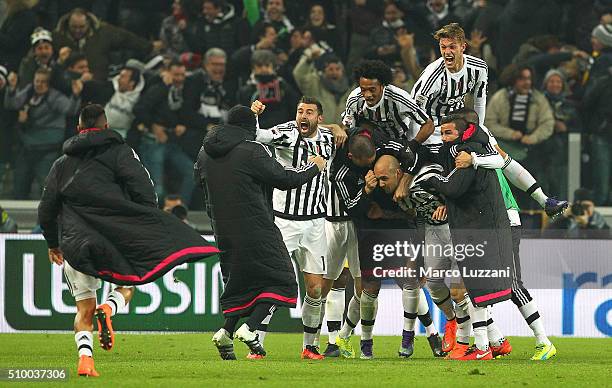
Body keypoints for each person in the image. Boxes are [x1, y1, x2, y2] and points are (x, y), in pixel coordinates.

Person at [38, 104, 218, 376]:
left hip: (75, 243)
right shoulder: (122, 153)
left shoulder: (61, 164)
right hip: (116, 238)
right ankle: (109, 309)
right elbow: (145, 192)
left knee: (83, 309)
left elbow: (46, 208)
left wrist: (53, 243)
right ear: (107, 127)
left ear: (77, 130)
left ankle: (85, 360)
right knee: (127, 287)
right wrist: (138, 224)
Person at [195, 105, 325, 360]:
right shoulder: (251, 150)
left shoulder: (203, 152)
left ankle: (225, 333)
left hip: (222, 229)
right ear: (248, 128)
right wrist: (314, 167)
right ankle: (250, 328)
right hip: (256, 226)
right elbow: (284, 178)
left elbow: (198, 182)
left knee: (240, 283)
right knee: (283, 279)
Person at [412, 23, 568, 216]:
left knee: (498, 152)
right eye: (443, 47)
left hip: (459, 122)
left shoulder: (478, 68)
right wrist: (417, 143)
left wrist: (478, 131)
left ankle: (545, 201)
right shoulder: (432, 76)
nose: (447, 52)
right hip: (432, 127)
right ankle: (445, 205)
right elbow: (414, 114)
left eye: (452, 46)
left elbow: (479, 101)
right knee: (453, 159)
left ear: (463, 46)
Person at [453, 108, 556, 360]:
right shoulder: (472, 152)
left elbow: (506, 164)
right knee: (478, 281)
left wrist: (542, 199)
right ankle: (492, 342)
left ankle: (543, 341)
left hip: (505, 220)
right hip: (485, 224)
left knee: (510, 283)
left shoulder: (482, 154)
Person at [420, 116, 515, 361]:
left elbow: (453, 188)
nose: (443, 139)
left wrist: (429, 176)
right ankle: (495, 342)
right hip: (475, 228)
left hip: (479, 229)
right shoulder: (466, 154)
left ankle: (477, 347)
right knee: (473, 291)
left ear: (463, 134)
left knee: (469, 290)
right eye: (441, 134)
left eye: (448, 134)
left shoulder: (468, 153)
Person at [251, 97, 334, 360]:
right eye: (300, 111)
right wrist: (254, 114)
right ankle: (257, 345)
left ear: (319, 118)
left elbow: (339, 132)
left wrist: (339, 128)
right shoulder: (286, 133)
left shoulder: (329, 139)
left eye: (309, 112)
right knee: (273, 281)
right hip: (284, 222)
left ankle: (310, 347)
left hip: (316, 223)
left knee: (315, 289)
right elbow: (256, 135)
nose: (303, 116)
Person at [4, 67, 82, 199]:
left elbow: (70, 109)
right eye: (36, 81)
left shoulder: (55, 96)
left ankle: (46, 215)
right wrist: (11, 89)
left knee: (46, 185)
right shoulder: (29, 92)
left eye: (42, 82)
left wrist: (75, 95)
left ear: (48, 83)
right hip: (28, 145)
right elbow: (12, 104)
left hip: (48, 147)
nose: (38, 84)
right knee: (20, 183)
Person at [133, 60, 195, 206]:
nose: (179, 78)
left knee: (192, 173)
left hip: (171, 141)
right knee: (157, 189)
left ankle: (179, 213)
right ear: (167, 73)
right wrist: (153, 125)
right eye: (175, 75)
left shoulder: (184, 89)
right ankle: (158, 219)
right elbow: (139, 109)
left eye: (182, 75)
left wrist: (181, 125)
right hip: (153, 141)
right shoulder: (159, 88)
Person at [52, 8, 160, 80]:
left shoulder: (104, 32)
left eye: (81, 27)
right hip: (71, 83)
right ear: (68, 24)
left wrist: (149, 47)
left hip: (99, 81)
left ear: (88, 23)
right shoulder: (58, 37)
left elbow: (126, 38)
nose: (77, 31)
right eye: (74, 27)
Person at [343, 59, 434, 142]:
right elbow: (348, 127)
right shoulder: (354, 99)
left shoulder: (399, 99)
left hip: (401, 140)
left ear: (382, 86)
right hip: (373, 142)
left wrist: (413, 146)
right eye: (363, 89)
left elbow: (428, 124)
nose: (367, 95)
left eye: (372, 90)